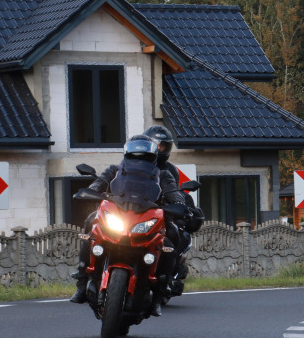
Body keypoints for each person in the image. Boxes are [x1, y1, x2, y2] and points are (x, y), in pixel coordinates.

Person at [68, 136, 187, 315]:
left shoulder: (162, 174)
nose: (139, 159)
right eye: (135, 155)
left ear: (152, 156)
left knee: (172, 237)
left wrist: (178, 203)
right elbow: (99, 183)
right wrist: (90, 192)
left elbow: (173, 191)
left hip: (146, 215)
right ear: (128, 154)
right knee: (91, 226)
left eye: (144, 156)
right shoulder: (115, 170)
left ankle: (159, 295)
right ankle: (82, 282)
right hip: (119, 214)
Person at [144, 124, 203, 295]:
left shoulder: (169, 169)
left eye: (164, 146)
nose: (160, 149)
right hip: (138, 210)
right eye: (157, 145)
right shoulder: (134, 163)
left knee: (174, 236)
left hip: (161, 212)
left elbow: (174, 192)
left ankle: (167, 276)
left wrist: (180, 206)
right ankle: (87, 276)